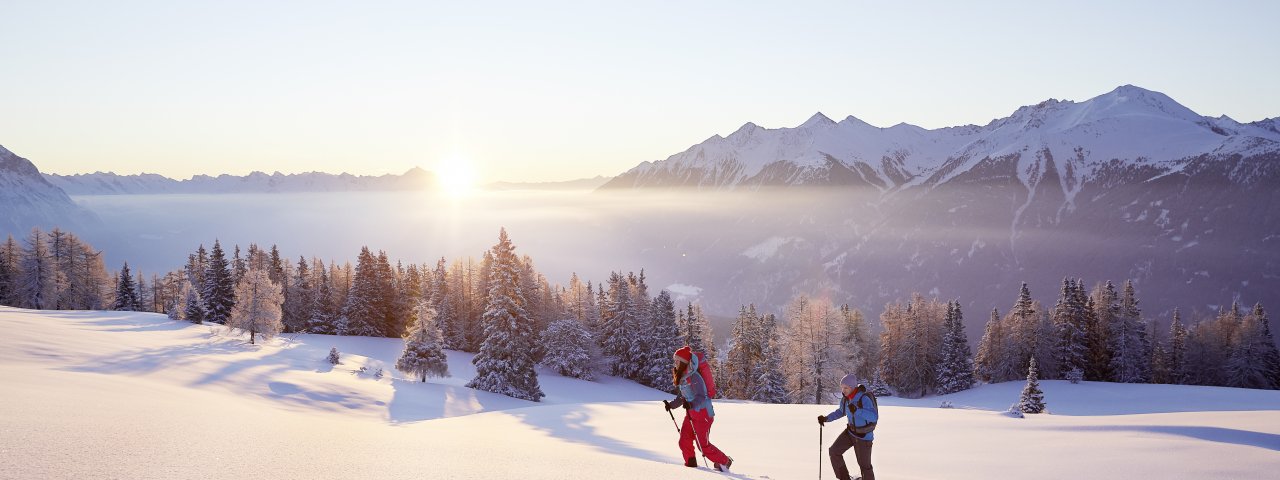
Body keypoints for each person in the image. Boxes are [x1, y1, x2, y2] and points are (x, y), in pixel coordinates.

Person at [663, 345, 733, 472]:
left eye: (677, 361)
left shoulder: (695, 377)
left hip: (704, 415)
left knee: (703, 446)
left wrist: (692, 404)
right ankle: (691, 467)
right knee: (684, 440)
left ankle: (725, 461)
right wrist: (671, 405)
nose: (676, 363)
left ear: (684, 362)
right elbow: (682, 396)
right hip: (691, 415)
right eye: (675, 361)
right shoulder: (684, 377)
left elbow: (703, 396)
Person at [818, 374, 877, 480]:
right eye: (842, 387)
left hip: (863, 436)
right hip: (850, 432)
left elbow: (873, 417)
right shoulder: (846, 399)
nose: (843, 390)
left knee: (865, 466)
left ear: (853, 387)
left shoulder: (864, 398)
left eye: (846, 388)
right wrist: (826, 418)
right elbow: (841, 411)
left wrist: (857, 411)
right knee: (834, 451)